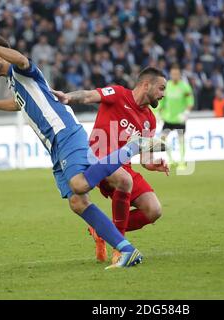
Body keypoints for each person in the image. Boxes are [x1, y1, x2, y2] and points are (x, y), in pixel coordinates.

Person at [0, 27, 166, 269]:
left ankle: (133, 147)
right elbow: (19, 104)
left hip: (65, 131)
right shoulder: (15, 83)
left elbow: (19, 58)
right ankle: (127, 250)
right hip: (55, 146)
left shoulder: (21, 70)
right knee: (78, 202)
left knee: (80, 184)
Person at [53, 67, 169, 264]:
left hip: (125, 168)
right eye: (161, 88)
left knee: (154, 210)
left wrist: (153, 164)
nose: (163, 94)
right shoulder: (118, 94)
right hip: (98, 160)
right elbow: (89, 95)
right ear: (146, 85)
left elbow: (145, 159)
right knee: (124, 179)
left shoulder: (149, 120)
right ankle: (120, 247)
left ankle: (101, 230)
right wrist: (67, 97)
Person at [157, 64, 194, 170]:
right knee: (163, 138)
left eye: (177, 74)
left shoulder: (185, 87)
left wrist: (186, 113)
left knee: (181, 139)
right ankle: (171, 159)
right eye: (173, 74)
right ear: (170, 74)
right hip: (168, 118)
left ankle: (182, 162)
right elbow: (162, 100)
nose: (175, 76)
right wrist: (159, 113)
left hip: (179, 118)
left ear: (180, 75)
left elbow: (190, 101)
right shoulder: (166, 86)